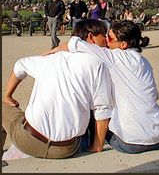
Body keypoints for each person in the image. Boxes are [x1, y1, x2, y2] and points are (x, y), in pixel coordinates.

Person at [47, 20, 159, 154]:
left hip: (131, 143)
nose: (106, 41)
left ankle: (93, 146)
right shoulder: (145, 62)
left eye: (110, 38)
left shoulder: (114, 57)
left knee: (96, 106)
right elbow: (154, 95)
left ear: (123, 44)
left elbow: (74, 43)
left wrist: (53, 51)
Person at [2, 22, 114, 159]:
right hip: (65, 149)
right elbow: (102, 109)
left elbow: (20, 65)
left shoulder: (50, 60)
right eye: (104, 35)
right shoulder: (98, 64)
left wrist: (8, 95)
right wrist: (97, 146)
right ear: (91, 37)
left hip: (29, 141)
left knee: (4, 107)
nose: (107, 40)